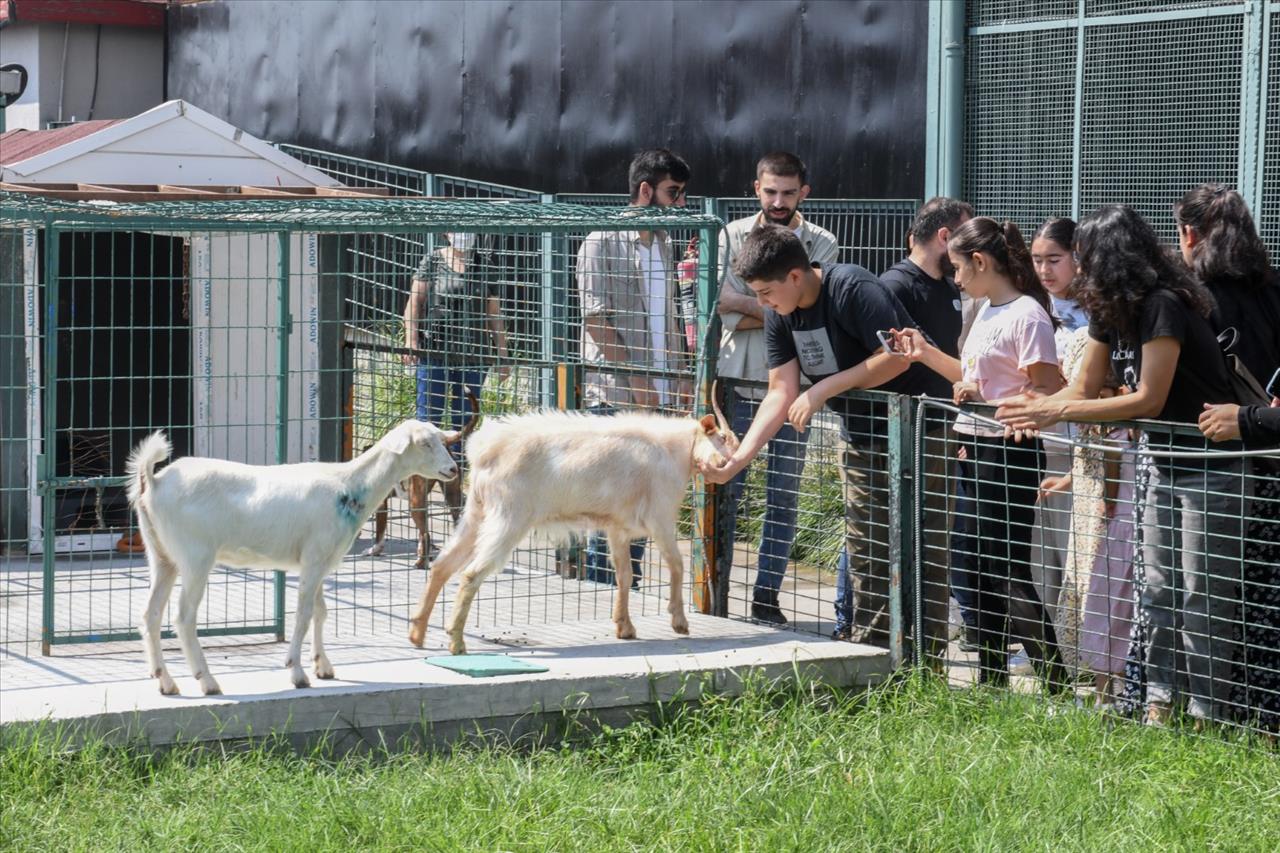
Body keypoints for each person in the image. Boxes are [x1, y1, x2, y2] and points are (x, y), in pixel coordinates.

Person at [996, 204, 1247, 725]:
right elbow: (1083, 388)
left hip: (1211, 467)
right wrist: (1032, 409)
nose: (1078, 269)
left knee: (1201, 597)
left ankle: (1206, 714)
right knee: (1156, 590)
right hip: (1161, 461)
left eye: (1083, 257)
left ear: (1110, 257)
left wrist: (1055, 409)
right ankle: (1158, 705)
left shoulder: (1162, 305)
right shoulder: (1111, 311)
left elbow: (1149, 399)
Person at [698, 224, 940, 652]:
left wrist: (823, 389)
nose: (761, 304)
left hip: (923, 432)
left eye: (765, 292)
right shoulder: (779, 312)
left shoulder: (852, 287)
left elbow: (897, 358)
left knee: (925, 546)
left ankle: (927, 659)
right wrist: (739, 461)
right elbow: (781, 391)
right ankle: (874, 653)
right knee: (867, 548)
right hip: (862, 434)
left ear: (795, 277)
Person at [892, 217, 1067, 692]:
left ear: (981, 261)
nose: (956, 277)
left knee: (1004, 567)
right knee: (972, 561)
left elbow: (1050, 389)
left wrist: (989, 400)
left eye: (958, 268)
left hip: (1010, 452)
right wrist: (925, 352)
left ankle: (1056, 682)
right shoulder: (987, 309)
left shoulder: (1028, 314)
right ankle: (992, 682)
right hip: (976, 446)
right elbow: (970, 380)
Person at [714, 151, 838, 624]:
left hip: (791, 389)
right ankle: (717, 589)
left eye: (788, 192)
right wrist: (778, 308)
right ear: (756, 188)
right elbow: (721, 307)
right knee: (729, 490)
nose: (779, 200)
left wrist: (748, 304)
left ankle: (766, 596)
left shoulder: (822, 241)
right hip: (737, 384)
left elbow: (807, 313)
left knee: (783, 497)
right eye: (771, 191)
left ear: (803, 192)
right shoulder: (729, 236)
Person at [1178, 184, 1280, 733]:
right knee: (1258, 595)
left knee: (1209, 593)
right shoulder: (1272, 287)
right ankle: (1261, 718)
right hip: (1267, 465)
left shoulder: (1189, 296)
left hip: (1215, 460)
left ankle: (1217, 714)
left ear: (1190, 235)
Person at [576, 148, 692, 586]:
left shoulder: (663, 242)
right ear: (645, 191)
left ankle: (631, 586)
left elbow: (670, 317)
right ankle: (601, 589)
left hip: (659, 393)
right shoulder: (600, 240)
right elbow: (595, 319)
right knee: (609, 504)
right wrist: (641, 381)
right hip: (616, 396)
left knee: (645, 500)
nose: (680, 203)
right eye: (672, 193)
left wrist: (679, 374)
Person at [877, 196, 974, 658]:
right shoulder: (895, 286)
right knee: (885, 532)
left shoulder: (951, 287)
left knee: (934, 539)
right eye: (964, 234)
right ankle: (866, 634)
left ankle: (929, 649)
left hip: (939, 428)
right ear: (943, 237)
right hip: (899, 431)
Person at [403, 231, 509, 437]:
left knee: (466, 419)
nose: (464, 235)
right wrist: (411, 340)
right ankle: (426, 467)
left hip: (473, 354)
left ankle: (458, 465)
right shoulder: (433, 260)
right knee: (428, 420)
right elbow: (414, 303)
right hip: (435, 351)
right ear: (447, 233)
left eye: (469, 230)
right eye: (458, 230)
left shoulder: (486, 265)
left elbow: (494, 314)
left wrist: (503, 355)